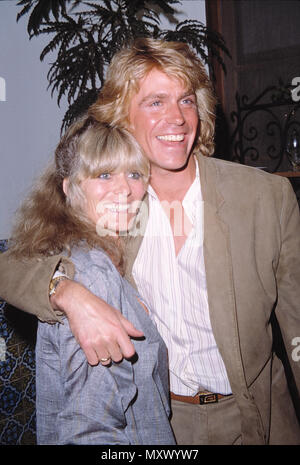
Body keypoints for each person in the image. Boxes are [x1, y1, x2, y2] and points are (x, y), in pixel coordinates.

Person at [0, 38, 300, 445]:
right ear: (123, 115)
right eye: (155, 102)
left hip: (259, 419)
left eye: (186, 100)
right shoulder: (114, 205)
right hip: (163, 423)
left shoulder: (266, 198)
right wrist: (66, 292)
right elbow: (12, 265)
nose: (176, 117)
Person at [5, 116, 176, 445]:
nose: (125, 188)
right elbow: (92, 428)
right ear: (70, 188)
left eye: (135, 174)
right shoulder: (91, 272)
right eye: (104, 174)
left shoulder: (103, 252)